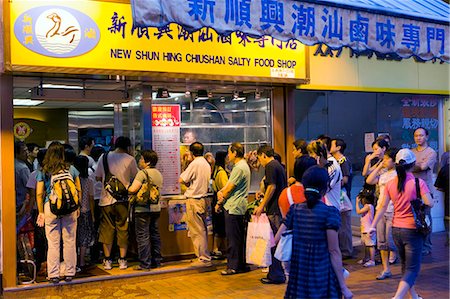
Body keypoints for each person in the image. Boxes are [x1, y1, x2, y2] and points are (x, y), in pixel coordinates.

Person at [275, 166, 353, 299]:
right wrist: (343, 287)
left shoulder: (295, 210)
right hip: (322, 274)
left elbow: (276, 239)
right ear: (325, 187)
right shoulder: (330, 213)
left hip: (299, 277)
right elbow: (333, 251)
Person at [369, 149, 433, 299]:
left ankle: (414, 296)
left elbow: (382, 207)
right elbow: (429, 202)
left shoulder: (391, 183)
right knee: (413, 269)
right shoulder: (418, 183)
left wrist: (372, 225)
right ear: (413, 164)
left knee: (405, 266)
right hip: (412, 230)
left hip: (396, 229)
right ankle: (397, 297)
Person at [36, 141, 81, 283]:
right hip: (70, 208)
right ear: (62, 153)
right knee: (69, 240)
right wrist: (77, 207)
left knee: (53, 242)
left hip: (51, 207)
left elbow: (38, 193)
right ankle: (69, 272)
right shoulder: (71, 169)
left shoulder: (44, 170)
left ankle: (54, 274)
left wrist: (41, 211)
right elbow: (78, 189)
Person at [95, 136, 138, 270]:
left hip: (106, 200)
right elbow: (136, 177)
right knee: (122, 228)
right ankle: (122, 260)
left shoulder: (104, 156)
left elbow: (97, 177)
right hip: (122, 201)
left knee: (107, 229)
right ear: (128, 146)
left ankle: (107, 261)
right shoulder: (130, 159)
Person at [216, 142, 251, 275]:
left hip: (233, 206)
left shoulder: (239, 167)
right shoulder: (243, 166)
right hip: (239, 206)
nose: (228, 155)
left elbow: (229, 188)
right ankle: (240, 264)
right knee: (238, 237)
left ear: (235, 153)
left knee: (233, 239)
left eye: (229, 152)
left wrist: (220, 197)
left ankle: (233, 266)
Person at [255, 145, 287, 285]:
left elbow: (272, 186)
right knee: (276, 241)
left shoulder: (270, 166)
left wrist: (262, 205)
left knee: (273, 242)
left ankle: (276, 274)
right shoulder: (278, 165)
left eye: (259, 157)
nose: (259, 161)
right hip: (278, 208)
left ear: (263, 155)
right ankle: (276, 272)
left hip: (273, 209)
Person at [366, 148, 399, 279]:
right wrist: (380, 165)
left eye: (386, 159)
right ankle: (386, 269)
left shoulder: (398, 175)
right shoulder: (384, 174)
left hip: (392, 211)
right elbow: (369, 180)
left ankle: (405, 267)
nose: (384, 161)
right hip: (381, 211)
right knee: (382, 242)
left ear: (394, 161)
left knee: (392, 242)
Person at [128, 150, 163, 270]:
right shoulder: (158, 173)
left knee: (143, 236)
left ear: (147, 162)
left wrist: (127, 187)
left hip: (142, 209)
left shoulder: (142, 173)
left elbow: (133, 189)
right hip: (156, 209)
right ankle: (157, 261)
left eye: (141, 159)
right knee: (154, 234)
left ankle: (145, 263)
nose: (139, 161)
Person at [179, 142, 212, 265]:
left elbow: (182, 179)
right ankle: (203, 256)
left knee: (197, 231)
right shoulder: (205, 163)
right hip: (203, 200)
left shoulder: (195, 163)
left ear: (192, 153)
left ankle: (203, 258)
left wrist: (185, 162)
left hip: (194, 200)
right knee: (201, 229)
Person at [411, 127, 437, 256]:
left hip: (426, 190)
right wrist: (416, 164)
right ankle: (417, 244)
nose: (418, 138)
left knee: (425, 217)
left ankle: (427, 245)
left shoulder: (431, 152)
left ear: (426, 137)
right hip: (412, 190)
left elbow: (423, 167)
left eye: (421, 135)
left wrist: (411, 164)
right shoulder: (411, 151)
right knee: (414, 218)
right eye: (416, 136)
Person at [330, 138, 353, 259]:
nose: (330, 146)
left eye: (332, 144)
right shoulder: (335, 161)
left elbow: (345, 179)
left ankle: (346, 251)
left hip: (343, 197)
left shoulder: (343, 160)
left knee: (344, 226)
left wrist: (332, 182)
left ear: (338, 147)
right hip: (339, 196)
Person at [26, 149, 47, 274]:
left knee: (39, 240)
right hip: (50, 210)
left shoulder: (34, 174)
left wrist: (28, 212)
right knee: (49, 239)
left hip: (37, 211)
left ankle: (39, 265)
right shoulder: (51, 173)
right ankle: (49, 264)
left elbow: (32, 196)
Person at [307, 140, 342, 211]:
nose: (311, 158)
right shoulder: (323, 166)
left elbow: (322, 189)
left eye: (312, 154)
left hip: (331, 210)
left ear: (320, 154)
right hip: (323, 209)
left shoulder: (332, 167)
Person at [73, 155, 95, 271]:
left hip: (73, 213)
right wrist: (93, 215)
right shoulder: (89, 181)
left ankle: (74, 262)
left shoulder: (72, 179)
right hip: (85, 212)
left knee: (74, 237)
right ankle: (81, 261)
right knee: (84, 237)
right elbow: (91, 198)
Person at [210, 151, 228, 258]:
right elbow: (225, 188)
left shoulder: (215, 170)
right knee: (221, 226)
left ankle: (217, 248)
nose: (228, 159)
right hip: (220, 200)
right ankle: (218, 248)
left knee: (217, 225)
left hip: (215, 198)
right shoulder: (222, 172)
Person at [356, 190, 376, 267]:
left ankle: (372, 260)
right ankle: (366, 258)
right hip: (365, 229)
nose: (361, 200)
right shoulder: (367, 206)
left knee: (370, 245)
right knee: (366, 245)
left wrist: (357, 203)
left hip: (369, 230)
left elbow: (358, 211)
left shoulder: (369, 206)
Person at [435, 151, 449, 246]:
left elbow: (439, 187)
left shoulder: (444, 169)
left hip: (448, 199)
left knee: (448, 219)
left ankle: (448, 238)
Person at [15, 141, 31, 220]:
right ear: (17, 154)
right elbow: (30, 187)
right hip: (21, 205)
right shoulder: (22, 168)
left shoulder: (12, 163)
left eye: (27, 150)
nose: (27, 153)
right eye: (24, 151)